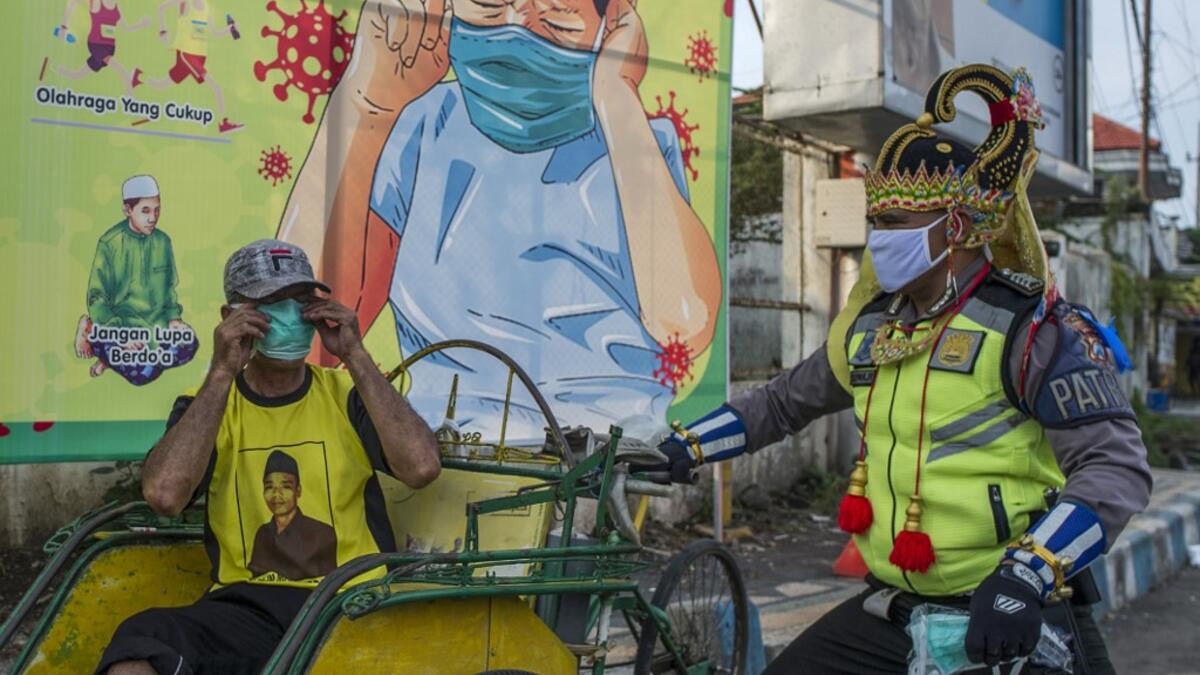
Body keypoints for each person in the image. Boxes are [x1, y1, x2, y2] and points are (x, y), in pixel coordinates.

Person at [655, 65, 1151, 674]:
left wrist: (1028, 572)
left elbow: (1115, 468)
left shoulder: (1034, 331)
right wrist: (684, 448)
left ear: (958, 227)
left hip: (1010, 612)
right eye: (877, 222)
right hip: (894, 613)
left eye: (897, 223)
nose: (879, 240)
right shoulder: (870, 331)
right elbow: (783, 404)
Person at [276, 0, 721, 442]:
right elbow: (303, 337)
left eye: (555, 14)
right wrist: (368, 101)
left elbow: (685, 321)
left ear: (614, 18)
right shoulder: (426, 125)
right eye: (490, 4)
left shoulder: (637, 147)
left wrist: (617, 96)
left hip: (597, 461)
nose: (517, 25)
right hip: (439, 455)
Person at [96, 239, 441, 675]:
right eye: (272, 304)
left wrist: (354, 355)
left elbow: (422, 467)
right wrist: (222, 371)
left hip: (351, 604)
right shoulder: (208, 406)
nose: (291, 316)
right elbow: (164, 495)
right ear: (233, 318)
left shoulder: (347, 394)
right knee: (139, 646)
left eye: (300, 301)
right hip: (248, 611)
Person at [75, 175, 195, 381]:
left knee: (190, 345)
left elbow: (168, 287)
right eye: (145, 211)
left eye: (157, 210)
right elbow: (97, 297)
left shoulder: (163, 241)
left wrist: (174, 319)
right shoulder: (110, 243)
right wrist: (120, 334)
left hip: (155, 324)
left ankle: (108, 359)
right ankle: (93, 332)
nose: (153, 218)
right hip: (119, 323)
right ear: (128, 210)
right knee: (142, 374)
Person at [132, 0, 242, 133]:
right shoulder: (185, 3)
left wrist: (230, 29)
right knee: (216, 87)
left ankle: (139, 77)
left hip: (199, 56)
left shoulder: (206, 7)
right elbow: (161, 8)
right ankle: (223, 123)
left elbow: (215, 33)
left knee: (162, 84)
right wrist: (163, 31)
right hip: (187, 55)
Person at [247, 450, 338, 581]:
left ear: (298, 490)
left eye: (286, 487)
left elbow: (331, 585)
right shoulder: (263, 533)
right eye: (269, 487)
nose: (276, 495)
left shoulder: (323, 533)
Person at [56, 0, 150, 94]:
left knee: (77, 75)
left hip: (110, 48)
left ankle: (57, 69)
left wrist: (141, 24)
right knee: (123, 72)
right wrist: (64, 27)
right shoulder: (97, 2)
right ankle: (131, 101)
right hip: (97, 45)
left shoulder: (117, 7)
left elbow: (126, 27)